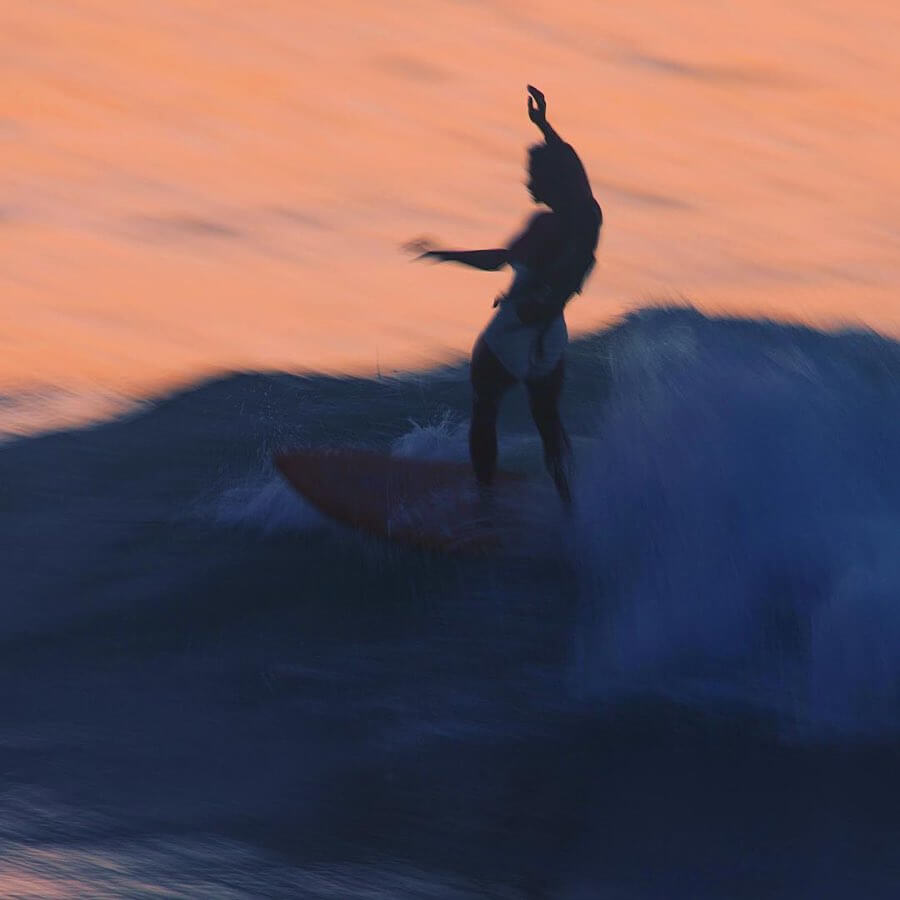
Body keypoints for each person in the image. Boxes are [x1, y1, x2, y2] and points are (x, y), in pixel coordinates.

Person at [407, 86, 602, 505]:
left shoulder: (543, 227)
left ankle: (484, 502)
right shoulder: (587, 218)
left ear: (548, 182)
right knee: (548, 422)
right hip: (550, 337)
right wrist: (545, 127)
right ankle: (571, 505)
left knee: (485, 410)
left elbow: (498, 260)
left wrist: (443, 253)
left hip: (515, 330)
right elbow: (574, 171)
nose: (526, 179)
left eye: (532, 174)